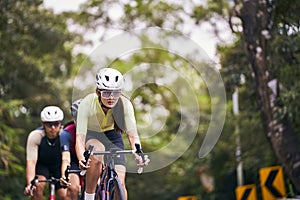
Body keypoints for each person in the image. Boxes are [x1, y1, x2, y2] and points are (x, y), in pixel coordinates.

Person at [75, 68, 149, 200]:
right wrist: (82, 158)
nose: (111, 97)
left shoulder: (125, 105)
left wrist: (138, 153)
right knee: (98, 150)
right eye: (106, 93)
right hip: (93, 135)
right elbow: (80, 138)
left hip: (113, 136)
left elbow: (133, 136)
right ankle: (89, 196)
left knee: (120, 182)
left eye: (116, 93)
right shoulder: (87, 103)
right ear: (98, 92)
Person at [24, 106, 66, 200]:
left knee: (64, 194)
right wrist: (30, 184)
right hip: (42, 166)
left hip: (60, 166)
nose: (53, 128)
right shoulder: (35, 136)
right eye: (49, 124)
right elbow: (31, 162)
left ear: (60, 123)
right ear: (43, 124)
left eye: (56, 124)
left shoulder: (65, 135)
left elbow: (67, 159)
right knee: (37, 187)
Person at [59, 99, 83, 200]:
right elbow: (66, 158)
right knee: (73, 188)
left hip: (92, 159)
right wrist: (64, 174)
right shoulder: (66, 133)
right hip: (74, 161)